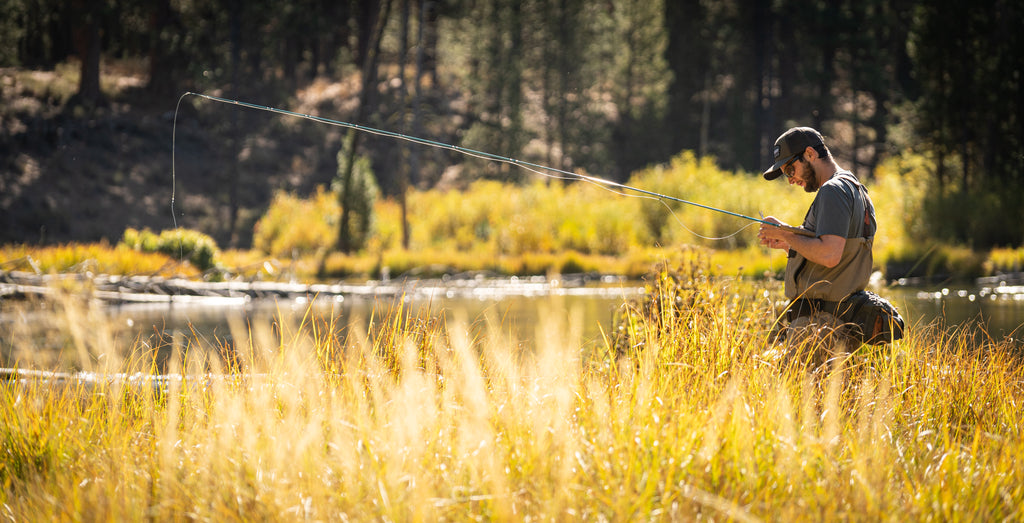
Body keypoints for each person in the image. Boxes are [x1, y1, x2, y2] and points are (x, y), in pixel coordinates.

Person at [757, 127, 877, 365]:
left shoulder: (832, 191)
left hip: (819, 327)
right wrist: (788, 242)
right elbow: (838, 255)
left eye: (790, 169)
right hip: (834, 325)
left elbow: (830, 254)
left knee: (801, 399)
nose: (790, 180)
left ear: (810, 154)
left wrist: (789, 236)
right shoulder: (854, 188)